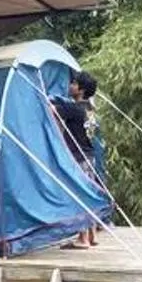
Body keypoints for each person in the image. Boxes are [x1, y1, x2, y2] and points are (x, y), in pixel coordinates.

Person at [51, 70, 102, 248]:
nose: (69, 86)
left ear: (80, 90)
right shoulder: (90, 110)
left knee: (79, 195)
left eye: (73, 83)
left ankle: (82, 239)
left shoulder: (74, 108)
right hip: (89, 156)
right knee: (88, 193)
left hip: (79, 157)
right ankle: (92, 234)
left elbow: (51, 111)